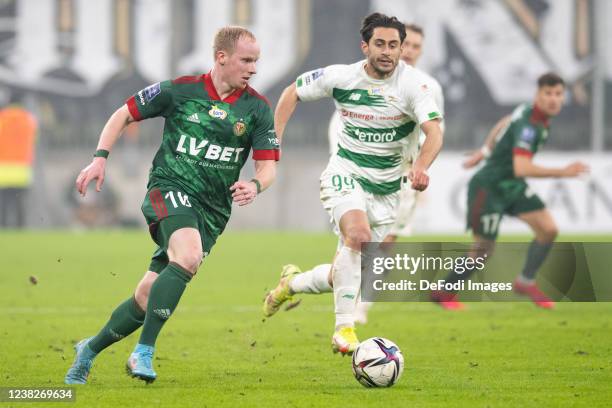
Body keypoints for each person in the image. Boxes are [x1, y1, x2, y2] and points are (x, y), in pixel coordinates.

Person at [65, 26, 279, 384]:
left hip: (211, 212)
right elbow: (124, 114)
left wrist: (255, 185)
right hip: (168, 189)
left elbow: (268, 166)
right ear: (221, 57)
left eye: (256, 61)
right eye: (246, 60)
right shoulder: (179, 91)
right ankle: (143, 352)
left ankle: (88, 349)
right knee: (189, 255)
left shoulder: (256, 108)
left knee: (147, 294)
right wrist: (100, 158)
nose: (253, 69)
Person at [263, 13, 443, 355]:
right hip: (345, 174)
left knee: (341, 273)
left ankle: (292, 283)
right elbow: (292, 92)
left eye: (394, 45)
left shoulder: (416, 87)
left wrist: (421, 166)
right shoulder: (342, 76)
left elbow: (434, 132)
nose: (388, 51)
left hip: (388, 190)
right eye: (380, 44)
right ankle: (343, 330)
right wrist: (275, 143)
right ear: (365, 46)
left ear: (401, 48)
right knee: (357, 237)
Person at [431, 72, 588, 310]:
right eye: (548, 94)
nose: (554, 99)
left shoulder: (529, 111)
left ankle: (526, 281)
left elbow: (504, 122)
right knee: (483, 251)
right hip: (489, 187)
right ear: (538, 95)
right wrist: (562, 172)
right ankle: (444, 291)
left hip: (511, 185)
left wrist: (484, 151)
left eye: (558, 94)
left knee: (548, 229)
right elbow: (522, 167)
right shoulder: (530, 126)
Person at [0, 103, 38, 228]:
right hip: (22, 169)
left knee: (4, 204)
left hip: (4, 169)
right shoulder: (28, 119)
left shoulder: (2, 118)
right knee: (20, 204)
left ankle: (4, 229)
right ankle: (20, 229)